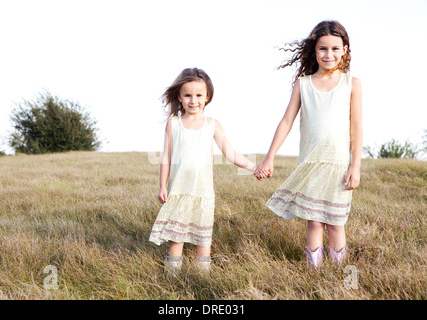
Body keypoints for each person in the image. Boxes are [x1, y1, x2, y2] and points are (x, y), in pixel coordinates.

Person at [255, 21, 363, 269]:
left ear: (345, 50)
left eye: (335, 48)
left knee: (336, 223)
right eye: (322, 48)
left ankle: (341, 279)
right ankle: (313, 275)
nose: (329, 54)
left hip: (338, 165)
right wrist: (269, 157)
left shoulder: (352, 84)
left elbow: (356, 128)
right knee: (314, 222)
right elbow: (286, 122)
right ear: (314, 51)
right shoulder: (303, 84)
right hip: (310, 163)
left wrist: (355, 166)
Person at [149, 68, 257, 275]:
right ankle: (173, 279)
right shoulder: (173, 124)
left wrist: (254, 167)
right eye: (187, 95)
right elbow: (166, 158)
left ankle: (202, 278)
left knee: (202, 239)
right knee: (176, 237)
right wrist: (162, 185)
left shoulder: (212, 125)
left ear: (207, 97)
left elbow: (230, 153)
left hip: (203, 193)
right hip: (179, 192)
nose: (193, 100)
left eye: (199, 95)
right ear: (179, 97)